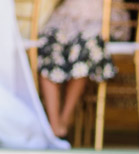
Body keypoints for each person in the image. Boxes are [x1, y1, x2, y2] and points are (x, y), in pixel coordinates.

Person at [35, 0, 127, 139]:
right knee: (48, 49)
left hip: (99, 18)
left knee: (84, 51)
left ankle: (65, 120)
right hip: (66, 18)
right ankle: (54, 125)